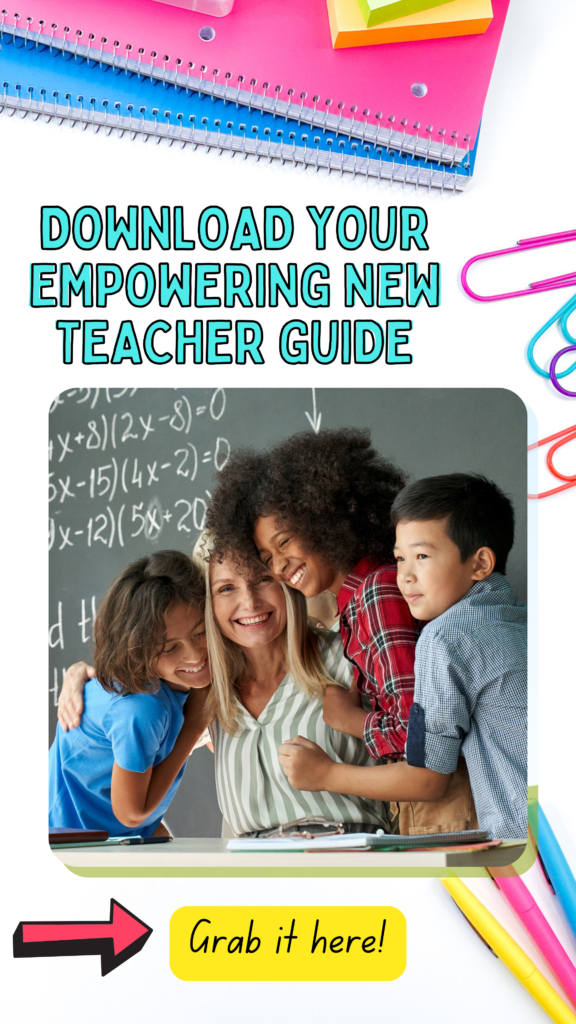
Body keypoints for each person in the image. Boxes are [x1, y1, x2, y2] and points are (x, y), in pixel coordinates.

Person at [206, 428, 478, 835]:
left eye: (285, 543)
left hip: (443, 811)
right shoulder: (358, 601)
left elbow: (415, 740)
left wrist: (348, 720)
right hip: (419, 809)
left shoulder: (378, 593)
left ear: (325, 519)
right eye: (268, 557)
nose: (280, 566)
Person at [57, 535, 391, 837]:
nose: (249, 602)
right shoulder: (201, 690)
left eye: (263, 579)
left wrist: (331, 773)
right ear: (208, 603)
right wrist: (85, 675)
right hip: (241, 876)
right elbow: (142, 697)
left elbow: (426, 765)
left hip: (350, 859)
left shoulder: (350, 656)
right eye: (226, 588)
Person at [279, 474, 527, 840]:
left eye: (422, 556)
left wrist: (326, 773)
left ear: (479, 564)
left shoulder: (444, 638)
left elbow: (427, 778)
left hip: (525, 841)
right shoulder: (527, 621)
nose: (404, 576)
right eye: (399, 559)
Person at [50, 551, 211, 838]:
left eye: (201, 632)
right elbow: (130, 814)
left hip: (111, 827)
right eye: (171, 648)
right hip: (72, 838)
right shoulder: (142, 708)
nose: (195, 653)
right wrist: (196, 723)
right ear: (140, 651)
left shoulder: (183, 683)